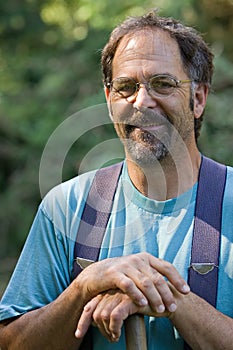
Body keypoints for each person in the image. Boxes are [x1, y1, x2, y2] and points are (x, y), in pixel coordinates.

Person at [0, 9, 233, 350]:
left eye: (163, 84)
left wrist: (171, 299)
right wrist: (84, 288)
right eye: (126, 87)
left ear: (198, 99)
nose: (142, 101)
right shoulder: (67, 208)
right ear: (110, 102)